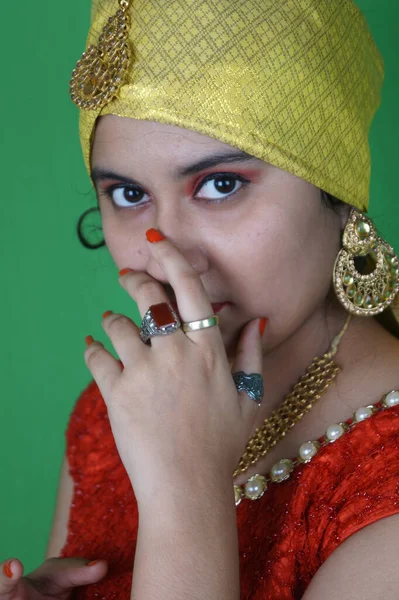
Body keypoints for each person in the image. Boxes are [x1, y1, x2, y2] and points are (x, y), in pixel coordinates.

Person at [2, 0, 399, 598]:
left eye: (220, 185)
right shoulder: (126, 405)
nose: (168, 254)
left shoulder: (384, 482)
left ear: (338, 196)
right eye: (129, 194)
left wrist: (186, 491)